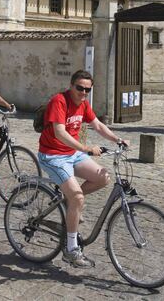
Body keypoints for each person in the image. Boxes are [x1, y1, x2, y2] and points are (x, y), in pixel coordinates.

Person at [38, 69, 129, 268]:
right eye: (80, 88)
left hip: (72, 154)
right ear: (71, 86)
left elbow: (97, 125)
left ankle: (70, 201)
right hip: (53, 155)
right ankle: (71, 250)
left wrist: (118, 139)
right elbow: (59, 133)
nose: (83, 92)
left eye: (88, 89)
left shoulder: (84, 104)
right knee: (78, 197)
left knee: (103, 177)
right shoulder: (59, 101)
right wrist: (86, 148)